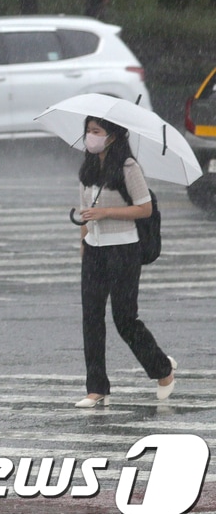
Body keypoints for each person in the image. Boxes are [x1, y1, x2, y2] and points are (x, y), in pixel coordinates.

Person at [73, 117, 175, 408]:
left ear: (113, 136)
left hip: (124, 251)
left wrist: (107, 214)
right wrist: (83, 241)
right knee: (91, 318)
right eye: (88, 131)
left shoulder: (128, 167)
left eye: (97, 132)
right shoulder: (87, 168)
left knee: (124, 319)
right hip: (94, 250)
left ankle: (162, 369)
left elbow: (144, 208)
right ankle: (96, 388)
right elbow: (84, 211)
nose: (90, 137)